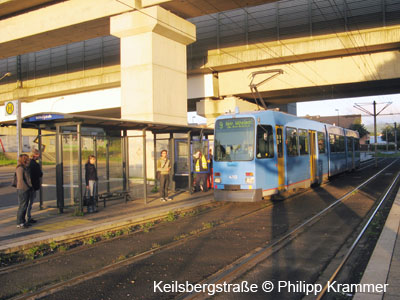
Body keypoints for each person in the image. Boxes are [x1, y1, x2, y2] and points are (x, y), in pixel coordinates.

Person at [15, 154, 32, 229]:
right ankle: (19, 222)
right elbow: (20, 180)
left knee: (25, 206)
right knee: (22, 206)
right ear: (24, 159)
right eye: (27, 159)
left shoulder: (25, 167)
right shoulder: (20, 168)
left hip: (25, 189)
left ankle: (23, 221)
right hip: (22, 189)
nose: (29, 160)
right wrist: (27, 188)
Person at [27, 149, 42, 224]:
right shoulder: (33, 164)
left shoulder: (30, 163)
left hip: (31, 185)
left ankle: (28, 217)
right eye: (38, 154)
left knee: (29, 202)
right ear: (35, 155)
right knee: (29, 202)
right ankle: (27, 218)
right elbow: (38, 174)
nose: (39, 156)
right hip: (32, 185)